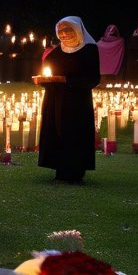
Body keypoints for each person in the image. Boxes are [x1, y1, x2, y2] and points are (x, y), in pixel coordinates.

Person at [35, 17, 100, 184]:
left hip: (77, 102)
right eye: (61, 31)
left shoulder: (89, 50)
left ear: (78, 30)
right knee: (58, 132)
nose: (64, 34)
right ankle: (60, 170)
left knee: (75, 134)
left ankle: (76, 171)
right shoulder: (56, 53)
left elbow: (93, 79)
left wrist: (68, 81)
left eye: (68, 30)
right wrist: (43, 80)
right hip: (56, 101)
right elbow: (47, 73)